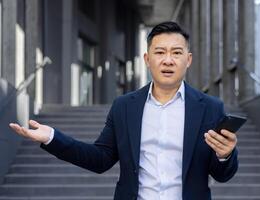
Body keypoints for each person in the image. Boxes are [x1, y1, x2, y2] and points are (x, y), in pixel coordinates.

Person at [10, 21, 238, 200]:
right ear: (148, 59)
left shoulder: (210, 108)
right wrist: (52, 137)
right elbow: (100, 159)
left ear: (188, 60)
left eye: (176, 53)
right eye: (160, 52)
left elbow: (222, 174)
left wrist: (225, 154)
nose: (168, 60)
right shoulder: (125, 106)